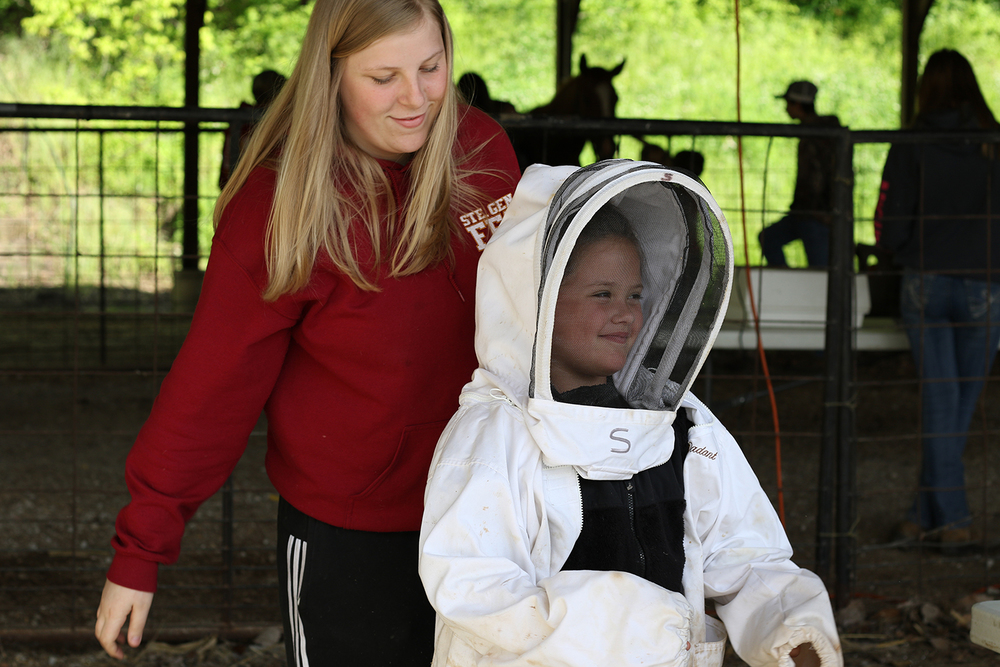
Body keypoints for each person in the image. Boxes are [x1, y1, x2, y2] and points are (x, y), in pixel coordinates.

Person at [93, 0, 521, 664]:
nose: (417, 98)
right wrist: (140, 550)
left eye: (432, 68)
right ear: (331, 75)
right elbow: (212, 389)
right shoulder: (280, 206)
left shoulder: (484, 149)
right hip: (353, 534)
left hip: (496, 515)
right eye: (384, 78)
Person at [419, 159, 842, 667]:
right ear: (537, 302)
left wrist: (794, 633)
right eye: (602, 294)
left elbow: (746, 555)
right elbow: (477, 591)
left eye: (636, 295)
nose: (626, 313)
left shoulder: (684, 427)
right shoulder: (496, 436)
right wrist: (651, 629)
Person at [874, 49, 1000, 549]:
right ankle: (954, 523)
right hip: (985, 283)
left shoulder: (912, 140)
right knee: (957, 408)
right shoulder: (993, 140)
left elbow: (890, 212)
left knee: (943, 407)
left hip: (925, 279)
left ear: (925, 87)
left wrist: (898, 251)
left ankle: (918, 517)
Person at [759, 80, 841, 268]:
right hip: (811, 214)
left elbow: (816, 180)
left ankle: (791, 287)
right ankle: (791, 285)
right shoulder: (824, 132)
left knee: (820, 271)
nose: (786, 109)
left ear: (796, 104)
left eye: (788, 103)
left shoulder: (814, 135)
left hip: (815, 216)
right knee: (768, 238)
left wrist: (813, 211)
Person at [218, 69, 287, 188]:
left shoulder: (239, 122)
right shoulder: (282, 123)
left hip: (238, 189)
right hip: (268, 190)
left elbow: (226, 172)